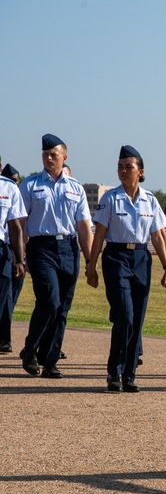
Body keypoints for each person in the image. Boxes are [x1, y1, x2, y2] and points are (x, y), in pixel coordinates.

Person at [84, 146, 166, 392]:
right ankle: (115, 372)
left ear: (140, 172)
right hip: (116, 258)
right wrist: (91, 266)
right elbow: (99, 235)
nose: (123, 171)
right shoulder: (110, 198)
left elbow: (157, 236)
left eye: (128, 167)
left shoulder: (150, 200)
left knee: (137, 319)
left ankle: (130, 374)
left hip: (142, 259)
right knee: (124, 315)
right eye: (120, 166)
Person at [19, 134, 94, 378]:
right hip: (40, 248)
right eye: (45, 154)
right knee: (49, 301)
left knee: (62, 307)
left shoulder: (76, 188)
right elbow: (19, 223)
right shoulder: (30, 186)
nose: (49, 158)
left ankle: (49, 360)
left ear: (64, 157)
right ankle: (30, 348)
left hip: (69, 249)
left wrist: (91, 261)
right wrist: (20, 256)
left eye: (53, 154)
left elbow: (83, 226)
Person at [1, 163, 27, 355]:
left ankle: (4, 338)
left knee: (4, 297)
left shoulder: (8, 188)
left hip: (3, 251)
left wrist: (19, 259)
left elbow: (15, 226)